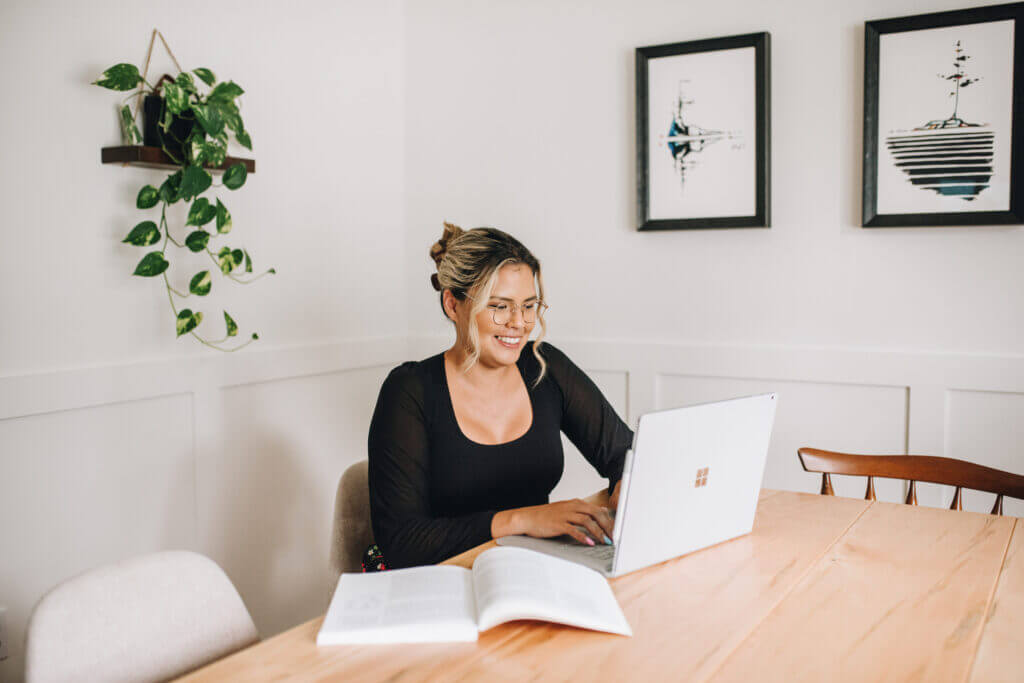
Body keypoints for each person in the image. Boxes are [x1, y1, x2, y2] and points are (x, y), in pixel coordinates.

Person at [366, 223, 633, 569]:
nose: (519, 323)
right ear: (452, 304)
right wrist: (522, 520)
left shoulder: (544, 367)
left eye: (528, 305)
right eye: (500, 306)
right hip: (443, 578)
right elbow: (401, 541)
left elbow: (624, 453)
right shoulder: (409, 391)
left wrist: (627, 487)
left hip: (530, 569)